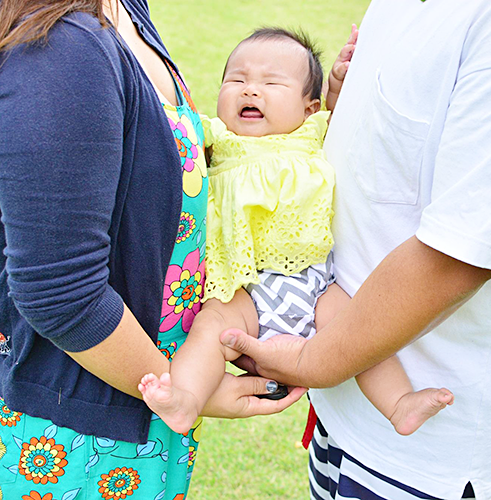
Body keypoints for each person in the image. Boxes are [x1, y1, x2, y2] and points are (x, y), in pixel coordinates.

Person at [0, 1, 306, 499]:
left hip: (141, 403)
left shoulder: (125, 9)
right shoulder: (61, 45)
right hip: (72, 424)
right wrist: (184, 389)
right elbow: (61, 296)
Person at [218, 1, 491, 499]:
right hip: (342, 416)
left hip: (430, 458)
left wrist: (313, 361)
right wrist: (339, 102)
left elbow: (463, 250)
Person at [139, 27, 453, 441]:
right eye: (236, 80)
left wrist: (341, 81)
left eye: (271, 82)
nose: (251, 90)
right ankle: (185, 399)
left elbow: (343, 114)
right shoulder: (214, 138)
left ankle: (399, 404)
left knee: (357, 328)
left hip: (317, 283)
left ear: (309, 108)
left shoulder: (312, 135)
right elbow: (170, 137)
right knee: (210, 330)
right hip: (243, 290)